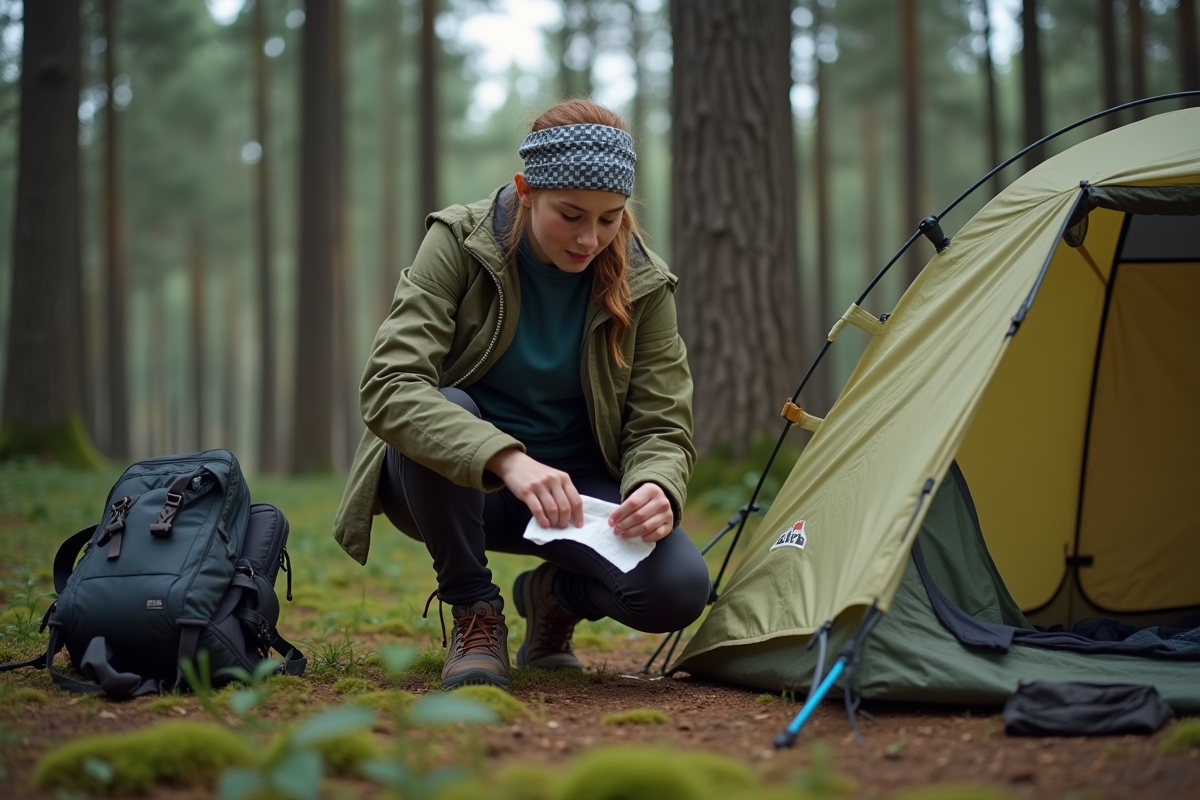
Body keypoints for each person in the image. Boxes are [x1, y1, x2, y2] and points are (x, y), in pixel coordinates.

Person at [332, 99, 711, 691]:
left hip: (574, 499)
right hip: (449, 490)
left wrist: (656, 485)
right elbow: (391, 385)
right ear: (526, 189)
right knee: (446, 406)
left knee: (677, 591)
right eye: (571, 214)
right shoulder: (459, 241)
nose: (591, 238)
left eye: (610, 218)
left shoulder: (644, 281)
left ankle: (552, 597)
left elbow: (661, 424)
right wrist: (507, 458)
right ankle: (475, 613)